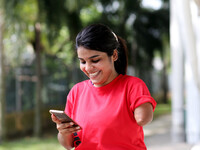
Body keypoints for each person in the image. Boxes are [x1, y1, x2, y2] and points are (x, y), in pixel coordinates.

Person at [51, 23, 157, 150]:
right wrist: (63, 131)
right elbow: (68, 144)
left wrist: (142, 111)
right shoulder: (77, 92)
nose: (88, 68)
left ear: (114, 55)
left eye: (95, 60)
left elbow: (143, 118)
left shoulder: (132, 86)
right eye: (83, 61)